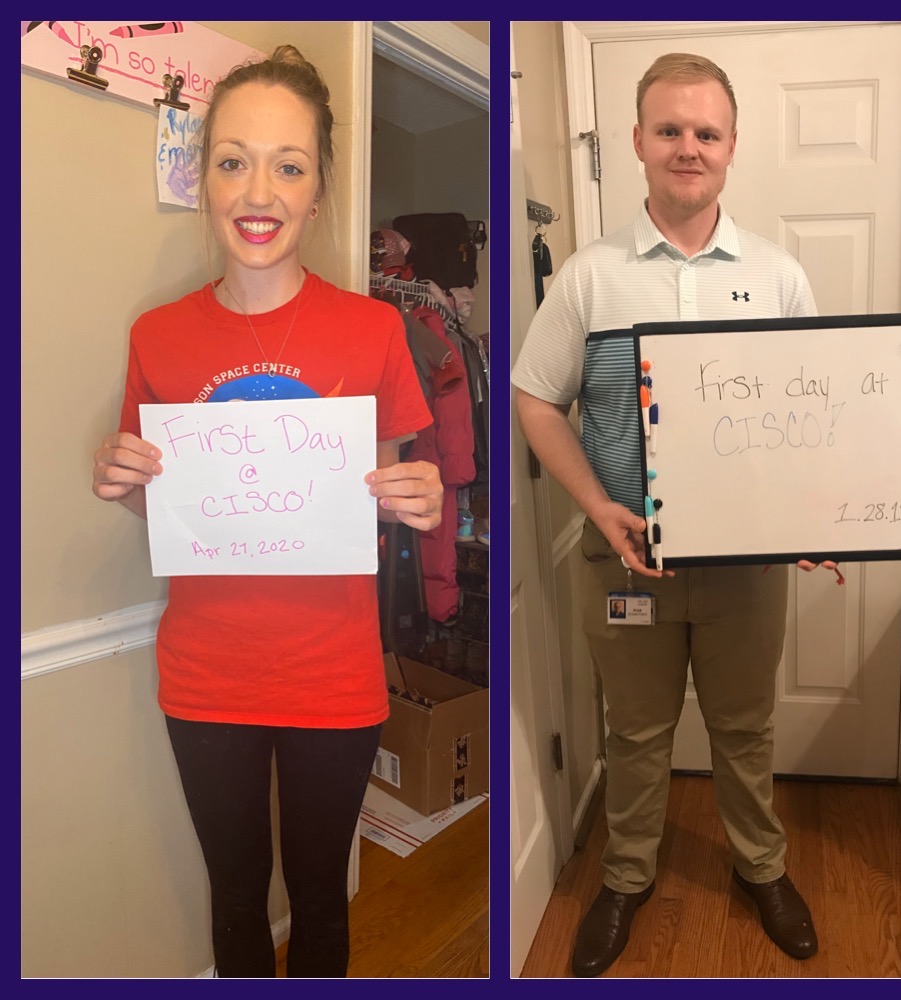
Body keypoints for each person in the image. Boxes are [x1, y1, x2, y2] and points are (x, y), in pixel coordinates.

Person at [91, 45, 443, 978]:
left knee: (323, 899)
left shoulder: (374, 331)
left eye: (290, 166)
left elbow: (388, 493)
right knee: (236, 899)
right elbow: (169, 513)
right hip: (207, 677)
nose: (260, 190)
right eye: (233, 160)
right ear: (204, 179)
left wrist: (420, 498)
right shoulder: (157, 337)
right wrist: (131, 491)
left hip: (334, 674)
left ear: (319, 192)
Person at [512, 52, 838, 977]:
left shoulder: (778, 278)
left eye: (706, 132)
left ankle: (760, 869)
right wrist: (596, 508)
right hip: (626, 564)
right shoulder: (589, 276)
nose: (687, 148)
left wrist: (816, 518)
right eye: (670, 130)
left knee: (745, 728)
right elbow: (537, 400)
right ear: (638, 143)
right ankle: (625, 876)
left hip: (744, 572)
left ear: (732, 147)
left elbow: (813, 415)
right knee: (635, 731)